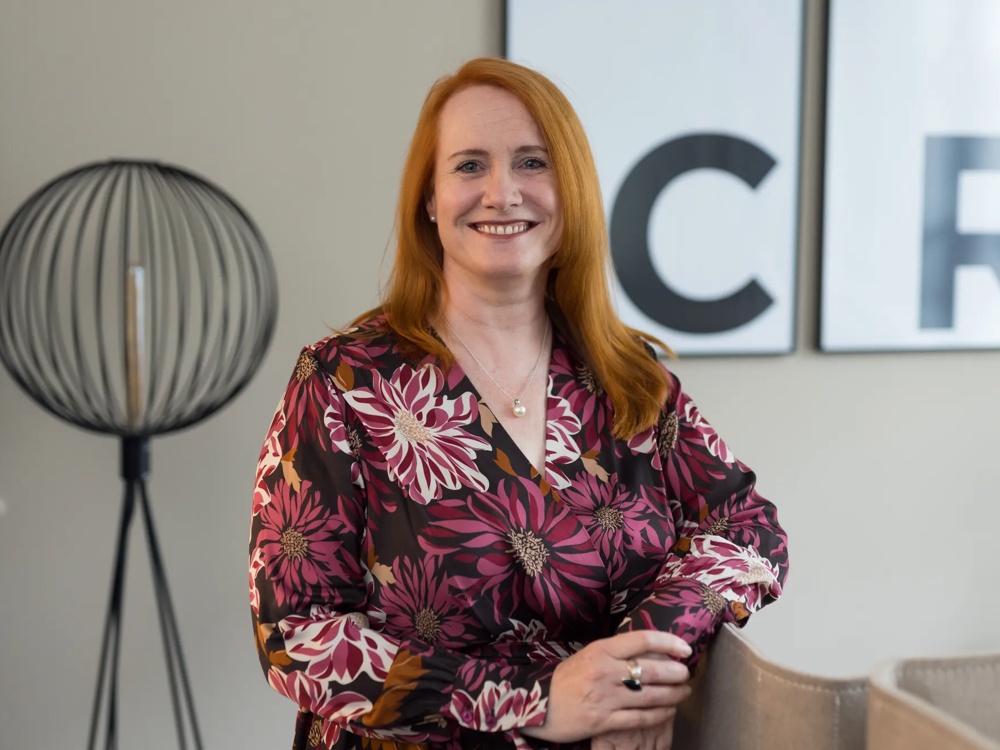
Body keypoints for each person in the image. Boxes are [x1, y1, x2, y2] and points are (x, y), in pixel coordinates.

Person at [249, 57, 788, 750]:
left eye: (532, 162)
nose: (502, 192)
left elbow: (748, 528)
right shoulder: (342, 382)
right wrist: (532, 701)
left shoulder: (629, 378)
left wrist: (637, 666)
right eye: (469, 166)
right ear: (429, 199)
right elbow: (296, 635)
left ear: (571, 192)